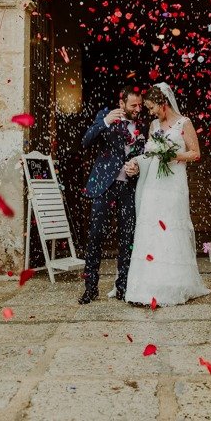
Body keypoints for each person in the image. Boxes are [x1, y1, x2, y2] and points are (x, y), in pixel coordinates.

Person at [124, 83, 210, 306]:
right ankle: (148, 283)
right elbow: (150, 154)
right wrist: (137, 161)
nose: (150, 112)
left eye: (152, 107)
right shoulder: (153, 125)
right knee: (151, 228)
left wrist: (174, 155)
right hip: (154, 183)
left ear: (163, 104)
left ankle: (175, 282)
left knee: (171, 227)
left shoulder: (184, 123)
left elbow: (196, 153)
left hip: (174, 183)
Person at [79, 85, 146, 304]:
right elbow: (86, 141)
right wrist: (106, 122)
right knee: (95, 236)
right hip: (104, 186)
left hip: (129, 188)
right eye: (133, 105)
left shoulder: (143, 124)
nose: (137, 109)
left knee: (128, 238)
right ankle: (91, 288)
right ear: (122, 104)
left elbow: (145, 155)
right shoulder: (105, 116)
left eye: (140, 105)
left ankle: (123, 287)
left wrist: (138, 165)